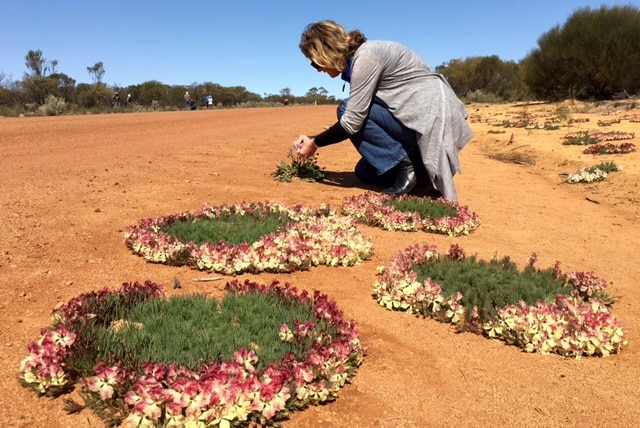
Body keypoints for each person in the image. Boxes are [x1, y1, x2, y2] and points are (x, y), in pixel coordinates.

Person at [291, 20, 473, 201]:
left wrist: (314, 143)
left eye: (315, 63)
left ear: (324, 53)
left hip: (430, 124)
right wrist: (312, 138)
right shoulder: (365, 55)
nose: (318, 70)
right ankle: (421, 170)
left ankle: (408, 168)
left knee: (345, 109)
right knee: (364, 172)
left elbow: (352, 122)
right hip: (423, 120)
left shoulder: (366, 58)